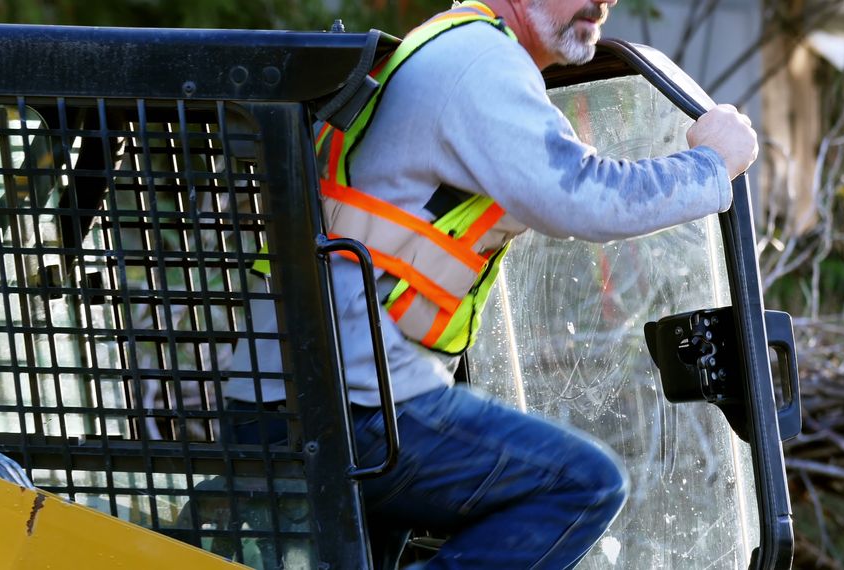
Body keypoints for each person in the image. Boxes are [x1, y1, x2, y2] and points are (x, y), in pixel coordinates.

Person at [227, 0, 759, 567]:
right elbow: (583, 196)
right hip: (354, 410)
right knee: (580, 486)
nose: (603, 1)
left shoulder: (461, 50)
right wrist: (711, 164)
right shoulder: (479, 61)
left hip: (312, 398)